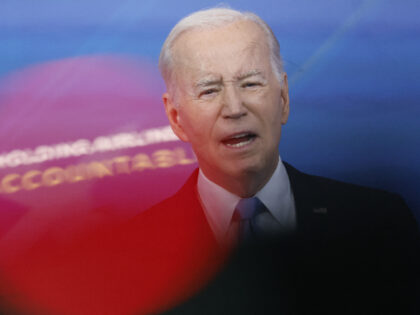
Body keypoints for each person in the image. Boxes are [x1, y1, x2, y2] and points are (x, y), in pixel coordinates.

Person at [129, 7, 420, 315]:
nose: (234, 108)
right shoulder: (130, 252)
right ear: (176, 118)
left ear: (283, 99)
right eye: (209, 90)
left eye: (251, 84)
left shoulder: (379, 223)